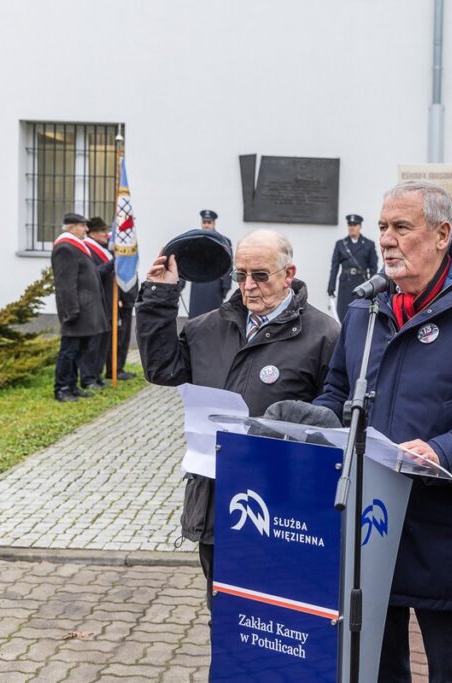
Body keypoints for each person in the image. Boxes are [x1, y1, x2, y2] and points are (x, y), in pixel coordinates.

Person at [311, 181, 452, 682]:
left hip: (444, 526)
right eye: (382, 227)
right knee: (377, 664)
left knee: (447, 669)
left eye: (401, 227)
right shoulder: (364, 310)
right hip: (371, 524)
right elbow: (337, 393)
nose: (386, 240)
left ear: (441, 235)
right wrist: (314, 426)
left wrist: (444, 451)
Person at [136, 228, 339, 610]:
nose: (248, 286)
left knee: (280, 616)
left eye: (260, 275)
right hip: (219, 500)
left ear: (288, 274)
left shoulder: (323, 335)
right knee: (226, 615)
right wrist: (160, 295)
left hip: (283, 510)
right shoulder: (206, 328)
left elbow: (334, 422)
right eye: (240, 275)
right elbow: (162, 368)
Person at [51, 212, 109, 402]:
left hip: (85, 311)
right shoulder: (65, 248)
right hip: (76, 311)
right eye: (82, 226)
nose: (86, 229)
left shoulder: (76, 246)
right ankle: (62, 388)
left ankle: (72, 385)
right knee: (68, 352)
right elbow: (65, 284)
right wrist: (71, 311)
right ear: (71, 227)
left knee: (78, 351)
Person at [79, 217, 115, 389]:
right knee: (92, 344)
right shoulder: (87, 249)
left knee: (103, 342)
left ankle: (97, 375)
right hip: (93, 303)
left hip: (106, 302)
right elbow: (94, 274)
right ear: (92, 233)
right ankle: (87, 378)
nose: (106, 234)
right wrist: (113, 263)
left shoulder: (104, 249)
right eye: (103, 231)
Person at [327, 213, 378, 322]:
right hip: (345, 284)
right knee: (343, 314)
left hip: (361, 284)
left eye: (355, 225)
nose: (352, 227)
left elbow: (373, 268)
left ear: (360, 226)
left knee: (360, 314)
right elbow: (334, 267)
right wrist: (331, 287)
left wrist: (373, 287)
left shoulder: (369, 244)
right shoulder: (341, 244)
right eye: (350, 225)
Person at [187, 209, 233, 318]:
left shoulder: (223, 241)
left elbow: (228, 265)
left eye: (209, 222)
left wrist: (225, 286)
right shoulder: (194, 240)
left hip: (214, 285)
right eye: (204, 222)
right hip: (197, 284)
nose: (206, 225)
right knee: (195, 317)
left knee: (212, 318)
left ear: (214, 223)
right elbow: (187, 262)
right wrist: (180, 284)